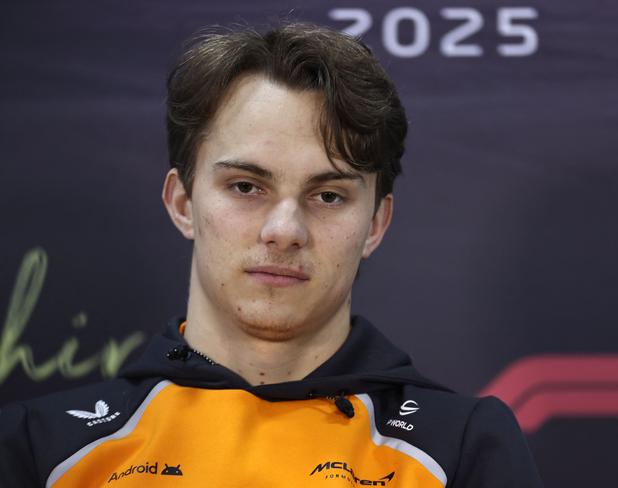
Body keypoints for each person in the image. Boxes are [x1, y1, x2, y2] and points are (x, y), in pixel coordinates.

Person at [0, 23, 543, 487]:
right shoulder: (39, 447)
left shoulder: (462, 448)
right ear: (183, 202)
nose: (285, 231)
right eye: (246, 187)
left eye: (328, 195)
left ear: (376, 223)